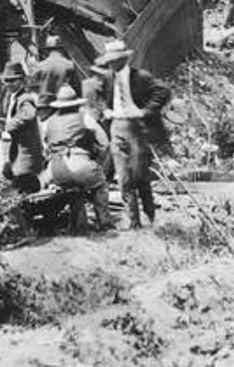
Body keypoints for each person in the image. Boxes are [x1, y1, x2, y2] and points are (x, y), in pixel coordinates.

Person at [91, 39, 171, 229]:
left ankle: (150, 215)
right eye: (109, 61)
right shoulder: (107, 78)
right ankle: (133, 221)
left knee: (140, 176)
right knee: (123, 177)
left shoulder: (140, 77)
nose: (112, 64)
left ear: (123, 60)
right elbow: (98, 96)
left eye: (115, 61)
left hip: (137, 128)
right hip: (116, 127)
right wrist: (105, 110)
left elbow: (163, 91)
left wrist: (144, 111)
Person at [43, 86, 112, 230]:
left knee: (73, 187)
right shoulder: (85, 118)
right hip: (81, 164)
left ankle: (79, 224)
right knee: (100, 184)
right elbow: (104, 144)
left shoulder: (48, 122)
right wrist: (97, 162)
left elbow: (43, 150)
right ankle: (104, 222)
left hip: (56, 169)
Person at [0, 62, 45, 194]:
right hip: (18, 153)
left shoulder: (25, 98)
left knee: (22, 189)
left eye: (13, 80)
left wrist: (9, 125)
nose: (9, 84)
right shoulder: (13, 97)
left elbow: (29, 114)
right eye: (6, 81)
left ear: (22, 81)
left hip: (26, 155)